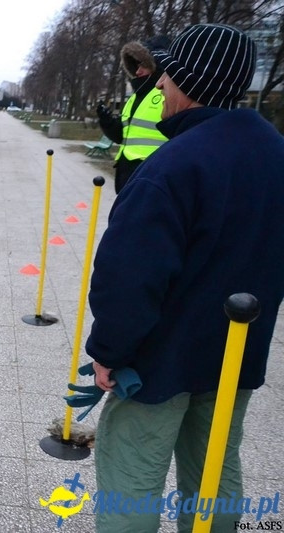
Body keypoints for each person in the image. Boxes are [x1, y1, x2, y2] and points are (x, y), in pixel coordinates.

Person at [84, 24, 284, 532]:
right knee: (214, 469)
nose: (160, 86)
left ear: (182, 79)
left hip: (160, 361)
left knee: (133, 473)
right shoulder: (274, 154)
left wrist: (109, 351)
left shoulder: (171, 167)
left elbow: (128, 276)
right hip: (237, 356)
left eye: (167, 75)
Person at [97, 36, 170, 193]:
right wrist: (107, 121)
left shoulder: (167, 95)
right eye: (136, 66)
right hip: (126, 174)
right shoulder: (135, 97)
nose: (138, 71)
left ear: (157, 65)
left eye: (143, 65)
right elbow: (122, 136)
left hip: (151, 177)